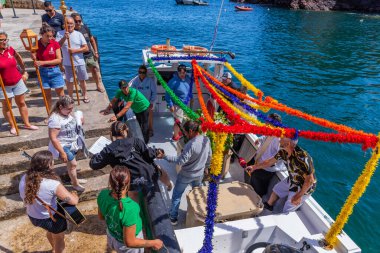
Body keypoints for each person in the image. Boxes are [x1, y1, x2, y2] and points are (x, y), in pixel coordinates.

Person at [90, 121, 172, 201]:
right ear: (126, 131)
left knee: (132, 193)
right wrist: (157, 151)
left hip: (132, 181)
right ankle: (169, 184)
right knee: (159, 169)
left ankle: (135, 210)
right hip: (148, 174)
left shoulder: (109, 150)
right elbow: (149, 155)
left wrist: (97, 155)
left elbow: (94, 164)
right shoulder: (136, 141)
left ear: (111, 134)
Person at [19, 150, 79, 253]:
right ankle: (57, 250)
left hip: (33, 216)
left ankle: (53, 249)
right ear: (49, 165)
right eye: (52, 161)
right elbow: (73, 201)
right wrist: (74, 194)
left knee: (50, 231)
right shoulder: (52, 184)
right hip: (50, 219)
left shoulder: (25, 177)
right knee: (59, 238)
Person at [97, 166, 163, 252]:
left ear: (110, 181)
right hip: (125, 247)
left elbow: (101, 217)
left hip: (112, 236)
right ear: (128, 184)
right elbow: (130, 242)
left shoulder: (102, 194)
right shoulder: (131, 208)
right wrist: (154, 243)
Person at [160, 120, 212, 225]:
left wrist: (164, 157)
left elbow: (180, 161)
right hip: (199, 174)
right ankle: (197, 213)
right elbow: (209, 156)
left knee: (177, 195)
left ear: (191, 131)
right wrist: (206, 168)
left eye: (186, 132)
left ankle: (173, 218)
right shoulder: (206, 140)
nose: (185, 134)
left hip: (186, 175)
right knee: (197, 194)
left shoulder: (190, 144)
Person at [246, 137, 317, 213]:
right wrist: (254, 167)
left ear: (287, 144)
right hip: (293, 179)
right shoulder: (283, 152)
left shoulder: (303, 157)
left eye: (282, 139)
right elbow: (269, 162)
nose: (279, 140)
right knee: (277, 189)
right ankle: (269, 205)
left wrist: (299, 196)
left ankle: (284, 216)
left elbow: (310, 180)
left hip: (304, 186)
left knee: (289, 205)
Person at [0, 31, 39, 135]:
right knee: (7, 106)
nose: (4, 42)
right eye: (2, 40)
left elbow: (17, 56)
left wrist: (23, 69)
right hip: (3, 85)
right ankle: (12, 126)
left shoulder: (10, 49)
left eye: (5, 39)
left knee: (21, 103)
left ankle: (27, 123)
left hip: (17, 81)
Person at [48, 96, 87, 192]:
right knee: (73, 164)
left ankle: (75, 180)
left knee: (71, 165)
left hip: (72, 143)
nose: (71, 110)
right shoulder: (55, 119)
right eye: (69, 109)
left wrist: (81, 122)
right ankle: (75, 184)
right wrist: (62, 152)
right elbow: (53, 138)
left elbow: (72, 126)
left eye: (72, 108)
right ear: (61, 107)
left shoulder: (66, 114)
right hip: (63, 145)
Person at [246, 113, 284, 197]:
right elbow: (265, 137)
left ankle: (255, 198)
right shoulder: (270, 131)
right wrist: (259, 139)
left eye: (268, 121)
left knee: (258, 187)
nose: (265, 122)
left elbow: (281, 156)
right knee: (249, 173)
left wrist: (269, 163)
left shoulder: (278, 140)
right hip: (258, 160)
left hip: (265, 168)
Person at [56, 17, 90, 103]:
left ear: (74, 25)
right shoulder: (60, 33)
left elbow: (86, 48)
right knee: (69, 81)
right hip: (67, 63)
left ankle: (85, 94)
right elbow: (57, 46)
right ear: (64, 25)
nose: (70, 25)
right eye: (68, 23)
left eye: (71, 23)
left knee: (82, 80)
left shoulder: (79, 34)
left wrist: (75, 51)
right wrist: (64, 37)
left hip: (79, 62)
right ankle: (70, 97)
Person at [32, 24, 65, 110]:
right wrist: (33, 56)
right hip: (43, 72)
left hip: (55, 71)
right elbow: (34, 55)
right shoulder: (36, 44)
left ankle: (64, 112)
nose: (50, 38)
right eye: (47, 36)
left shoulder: (55, 44)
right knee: (47, 96)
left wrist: (42, 62)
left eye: (51, 36)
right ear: (41, 35)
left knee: (61, 95)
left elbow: (59, 60)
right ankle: (50, 114)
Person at [71, 13, 105, 93]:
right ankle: (83, 89)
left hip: (89, 54)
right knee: (80, 74)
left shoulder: (85, 28)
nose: (78, 23)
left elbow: (92, 40)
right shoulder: (71, 32)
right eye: (76, 21)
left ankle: (98, 85)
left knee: (94, 69)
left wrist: (96, 52)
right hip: (79, 57)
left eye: (80, 21)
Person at [165, 64, 192, 141]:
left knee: (183, 119)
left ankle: (179, 132)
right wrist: (171, 105)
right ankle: (175, 136)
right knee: (178, 122)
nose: (182, 75)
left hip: (186, 104)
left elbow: (189, 88)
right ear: (178, 72)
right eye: (180, 73)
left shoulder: (187, 78)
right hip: (177, 105)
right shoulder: (173, 81)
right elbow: (167, 94)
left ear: (186, 72)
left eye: (183, 73)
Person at [130, 65, 156, 137]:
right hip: (138, 103)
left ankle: (150, 130)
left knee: (149, 116)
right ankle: (140, 130)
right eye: (140, 72)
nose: (141, 74)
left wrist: (151, 102)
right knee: (140, 118)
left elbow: (154, 92)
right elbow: (132, 92)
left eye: (143, 72)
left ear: (146, 73)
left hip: (148, 103)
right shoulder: (135, 81)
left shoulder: (150, 81)